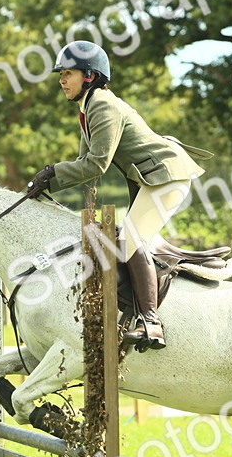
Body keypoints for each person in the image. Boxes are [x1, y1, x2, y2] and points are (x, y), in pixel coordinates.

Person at [26, 40, 212, 350]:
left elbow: (96, 164)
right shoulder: (88, 108)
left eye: (68, 73)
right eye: (61, 75)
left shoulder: (102, 105)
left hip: (167, 176)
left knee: (130, 240)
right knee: (128, 239)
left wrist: (51, 173)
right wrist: (49, 182)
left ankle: (151, 322)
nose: (61, 80)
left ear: (89, 76)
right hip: (150, 179)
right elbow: (85, 165)